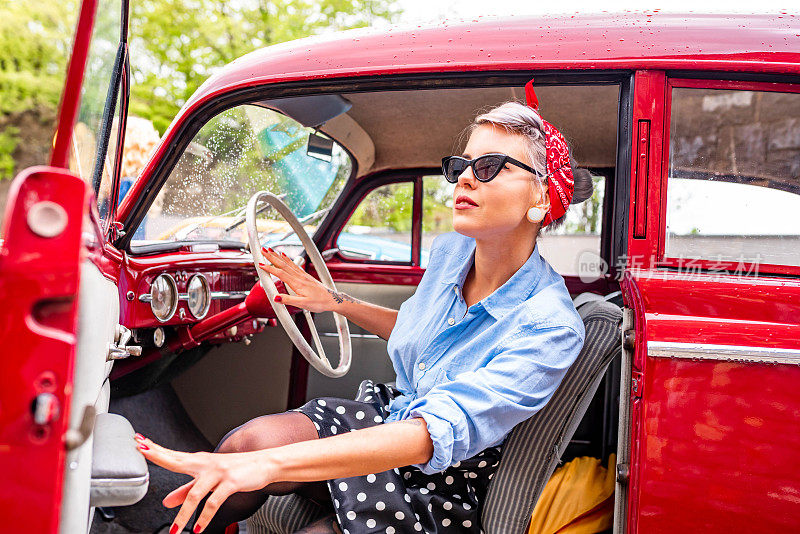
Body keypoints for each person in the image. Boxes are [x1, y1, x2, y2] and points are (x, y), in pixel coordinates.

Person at [135, 98, 594, 534]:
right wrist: (333, 301)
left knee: (266, 471)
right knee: (246, 445)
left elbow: (435, 433)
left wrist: (271, 466)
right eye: (460, 167)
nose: (464, 181)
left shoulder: (549, 323)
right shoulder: (453, 253)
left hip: (443, 478)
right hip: (390, 416)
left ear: (540, 198)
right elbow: (422, 335)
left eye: (489, 166)